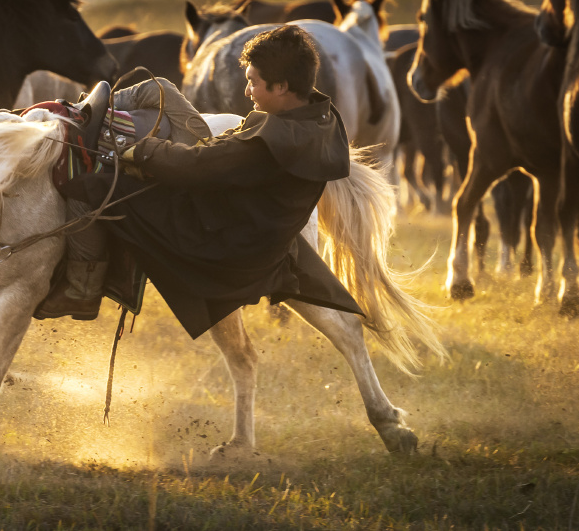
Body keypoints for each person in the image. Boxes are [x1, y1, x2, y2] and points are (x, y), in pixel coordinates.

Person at [36, 24, 362, 337]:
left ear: (281, 87)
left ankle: (82, 288)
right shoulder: (320, 117)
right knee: (158, 87)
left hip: (208, 234)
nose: (247, 91)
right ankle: (87, 114)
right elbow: (215, 158)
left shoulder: (268, 144)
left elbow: (196, 165)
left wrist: (136, 149)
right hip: (220, 195)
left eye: (253, 82)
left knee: (88, 188)